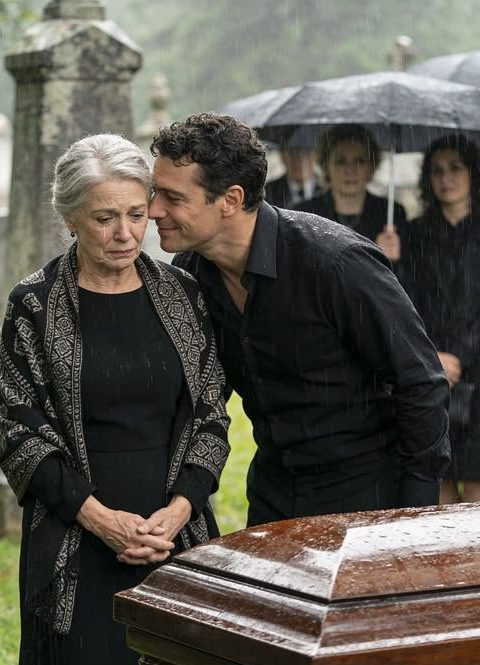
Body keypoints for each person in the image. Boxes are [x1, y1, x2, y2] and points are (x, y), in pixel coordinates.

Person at [0, 134, 230, 665]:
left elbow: (211, 416)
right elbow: (20, 433)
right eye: (105, 218)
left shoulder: (182, 293)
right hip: (75, 539)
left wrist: (177, 512)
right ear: (70, 218)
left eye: (135, 214)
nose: (125, 233)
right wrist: (102, 521)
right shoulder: (34, 304)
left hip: (174, 537)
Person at [148, 112, 450, 528]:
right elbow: (198, 396)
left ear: (231, 200)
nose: (153, 210)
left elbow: (420, 382)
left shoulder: (335, 262)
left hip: (367, 494)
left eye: (172, 197)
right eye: (155, 193)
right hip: (272, 491)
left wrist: (414, 516)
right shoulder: (190, 273)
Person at [400, 134, 480, 505]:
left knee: (476, 491)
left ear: (472, 173)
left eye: (455, 168)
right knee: (439, 485)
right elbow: (405, 303)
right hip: (430, 372)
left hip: (477, 373)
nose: (446, 178)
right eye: (437, 170)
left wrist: (459, 355)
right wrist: (434, 355)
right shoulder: (413, 233)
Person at [296, 124, 407, 265]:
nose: (350, 170)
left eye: (359, 161)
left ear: (371, 167)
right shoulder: (304, 214)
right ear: (326, 167)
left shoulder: (392, 214)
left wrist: (390, 261)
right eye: (341, 162)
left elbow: (408, 274)